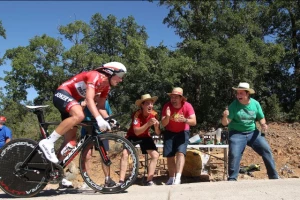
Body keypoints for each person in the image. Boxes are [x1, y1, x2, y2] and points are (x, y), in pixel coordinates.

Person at [38, 62, 126, 187]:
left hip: (71, 102)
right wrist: (99, 119)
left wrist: (109, 119)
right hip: (63, 93)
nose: (121, 79)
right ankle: (48, 142)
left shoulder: (106, 87)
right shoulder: (95, 76)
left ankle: (55, 171)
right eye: (120, 75)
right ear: (110, 72)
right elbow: (89, 99)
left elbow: (101, 107)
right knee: (80, 115)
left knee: (71, 143)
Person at [221, 82, 279, 181]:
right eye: (237, 93)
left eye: (241, 93)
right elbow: (225, 123)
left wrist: (263, 124)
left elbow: (261, 117)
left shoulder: (255, 104)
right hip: (236, 133)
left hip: (253, 132)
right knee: (234, 154)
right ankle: (232, 179)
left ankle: (274, 177)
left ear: (247, 94)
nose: (238, 95)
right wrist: (225, 116)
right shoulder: (233, 106)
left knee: (266, 150)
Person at [119, 94, 160, 186]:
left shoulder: (154, 114)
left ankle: (149, 180)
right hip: (133, 135)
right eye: (147, 104)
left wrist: (157, 127)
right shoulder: (136, 114)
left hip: (145, 136)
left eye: (151, 103)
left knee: (155, 155)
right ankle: (121, 181)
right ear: (142, 105)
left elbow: (157, 133)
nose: (150, 106)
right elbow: (136, 132)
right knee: (125, 154)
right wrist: (148, 124)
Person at [80, 97, 118, 189]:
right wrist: (82, 106)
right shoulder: (84, 100)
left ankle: (108, 180)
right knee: (87, 156)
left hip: (101, 132)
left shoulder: (104, 101)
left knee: (105, 155)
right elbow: (77, 115)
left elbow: (108, 115)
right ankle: (87, 181)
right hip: (87, 131)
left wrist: (113, 123)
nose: (98, 94)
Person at [161, 87, 196, 185]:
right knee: (170, 156)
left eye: (176, 97)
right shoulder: (167, 106)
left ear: (181, 98)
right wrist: (167, 116)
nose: (173, 99)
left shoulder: (187, 106)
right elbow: (163, 124)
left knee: (181, 153)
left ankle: (178, 177)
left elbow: (194, 121)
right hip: (169, 132)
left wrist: (185, 120)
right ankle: (171, 177)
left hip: (183, 132)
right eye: (172, 97)